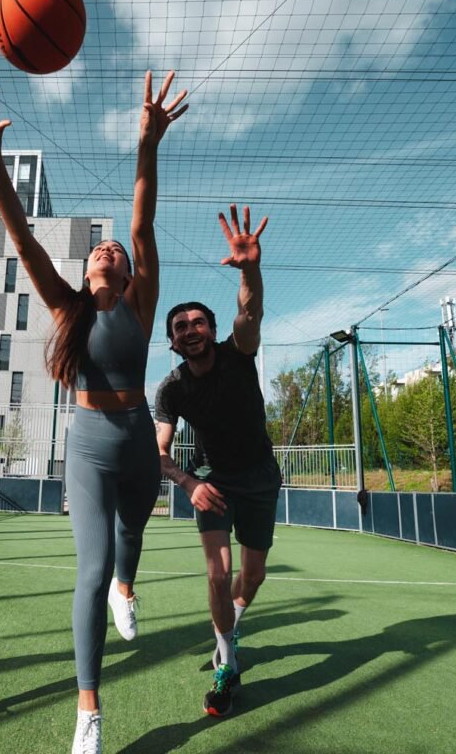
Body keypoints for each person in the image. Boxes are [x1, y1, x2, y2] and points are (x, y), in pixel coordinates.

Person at [0, 71, 187, 754]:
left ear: (125, 270)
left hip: (139, 441)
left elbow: (141, 216)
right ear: (87, 269)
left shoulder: (143, 304)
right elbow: (24, 239)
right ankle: (88, 710)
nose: (106, 250)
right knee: (89, 571)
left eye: (113, 251)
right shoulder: (68, 308)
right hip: (88, 444)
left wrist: (147, 142)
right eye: (97, 249)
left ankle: (128, 587)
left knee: (132, 545)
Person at [154, 205, 277, 718]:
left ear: (211, 329)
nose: (190, 329)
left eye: (198, 322)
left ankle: (234, 619)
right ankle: (227, 663)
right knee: (216, 573)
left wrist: (249, 268)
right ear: (172, 340)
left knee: (251, 577)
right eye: (180, 326)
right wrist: (185, 481)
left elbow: (249, 311)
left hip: (260, 476)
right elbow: (158, 453)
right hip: (210, 480)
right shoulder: (172, 388)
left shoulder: (239, 352)